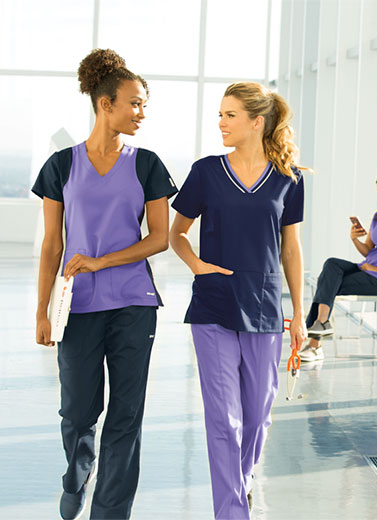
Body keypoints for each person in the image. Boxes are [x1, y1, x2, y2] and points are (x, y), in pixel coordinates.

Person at [32, 49, 178, 520]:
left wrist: (102, 261)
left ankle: (110, 512)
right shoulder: (60, 166)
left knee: (125, 416)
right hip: (76, 308)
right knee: (77, 413)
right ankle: (77, 475)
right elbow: (52, 245)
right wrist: (40, 310)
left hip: (134, 302)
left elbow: (159, 238)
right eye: (134, 103)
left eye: (144, 104)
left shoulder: (148, 164)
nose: (141, 113)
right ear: (104, 104)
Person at [169, 82, 307, 519]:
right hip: (213, 305)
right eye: (220, 114)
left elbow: (291, 250)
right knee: (223, 419)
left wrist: (299, 315)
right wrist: (196, 265)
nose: (221, 122)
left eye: (230, 115)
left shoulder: (289, 179)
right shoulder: (206, 171)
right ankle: (231, 511)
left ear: (256, 121)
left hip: (265, 307)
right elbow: (177, 233)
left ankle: (241, 482)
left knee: (256, 416)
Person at [300, 168, 377, 362]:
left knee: (328, 282)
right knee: (331, 265)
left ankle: (315, 342)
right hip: (366, 268)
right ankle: (321, 324)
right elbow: (368, 251)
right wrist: (354, 239)